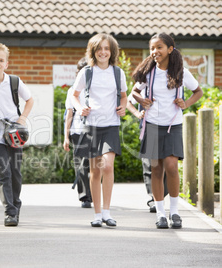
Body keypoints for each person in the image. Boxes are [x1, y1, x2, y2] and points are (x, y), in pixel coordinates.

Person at [132, 33, 203, 229]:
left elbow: (198, 91)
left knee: (171, 167)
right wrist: (141, 100)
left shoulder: (181, 72)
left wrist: (185, 103)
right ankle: (161, 214)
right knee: (156, 168)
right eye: (152, 48)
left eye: (159, 47)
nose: (155, 51)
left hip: (173, 125)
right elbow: (134, 92)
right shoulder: (148, 73)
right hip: (153, 125)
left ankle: (175, 212)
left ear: (170, 49)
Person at [72, 33, 127, 227]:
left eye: (106, 48)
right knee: (95, 172)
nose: (103, 52)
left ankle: (106, 212)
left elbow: (124, 96)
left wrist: (123, 106)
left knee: (108, 166)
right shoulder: (86, 72)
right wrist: (80, 108)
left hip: (111, 125)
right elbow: (74, 95)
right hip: (92, 126)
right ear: (93, 51)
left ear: (111, 51)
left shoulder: (118, 73)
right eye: (99, 49)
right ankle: (96, 214)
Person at [0, 43, 34, 226]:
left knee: (15, 173)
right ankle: (9, 212)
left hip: (13, 131)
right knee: (3, 171)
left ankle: (16, 205)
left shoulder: (14, 82)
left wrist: (22, 119)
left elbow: (29, 100)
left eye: (1, 60)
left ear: (6, 64)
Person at [126, 93, 168, 213]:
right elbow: (128, 102)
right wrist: (138, 114)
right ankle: (154, 199)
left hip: (169, 128)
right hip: (149, 128)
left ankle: (161, 196)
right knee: (151, 165)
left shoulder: (169, 81)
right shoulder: (144, 85)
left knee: (166, 164)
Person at [63, 57, 92, 208]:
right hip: (77, 131)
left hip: (95, 130)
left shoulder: (97, 89)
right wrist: (66, 137)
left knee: (93, 163)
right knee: (81, 164)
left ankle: (92, 193)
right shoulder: (72, 90)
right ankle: (85, 197)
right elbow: (69, 114)